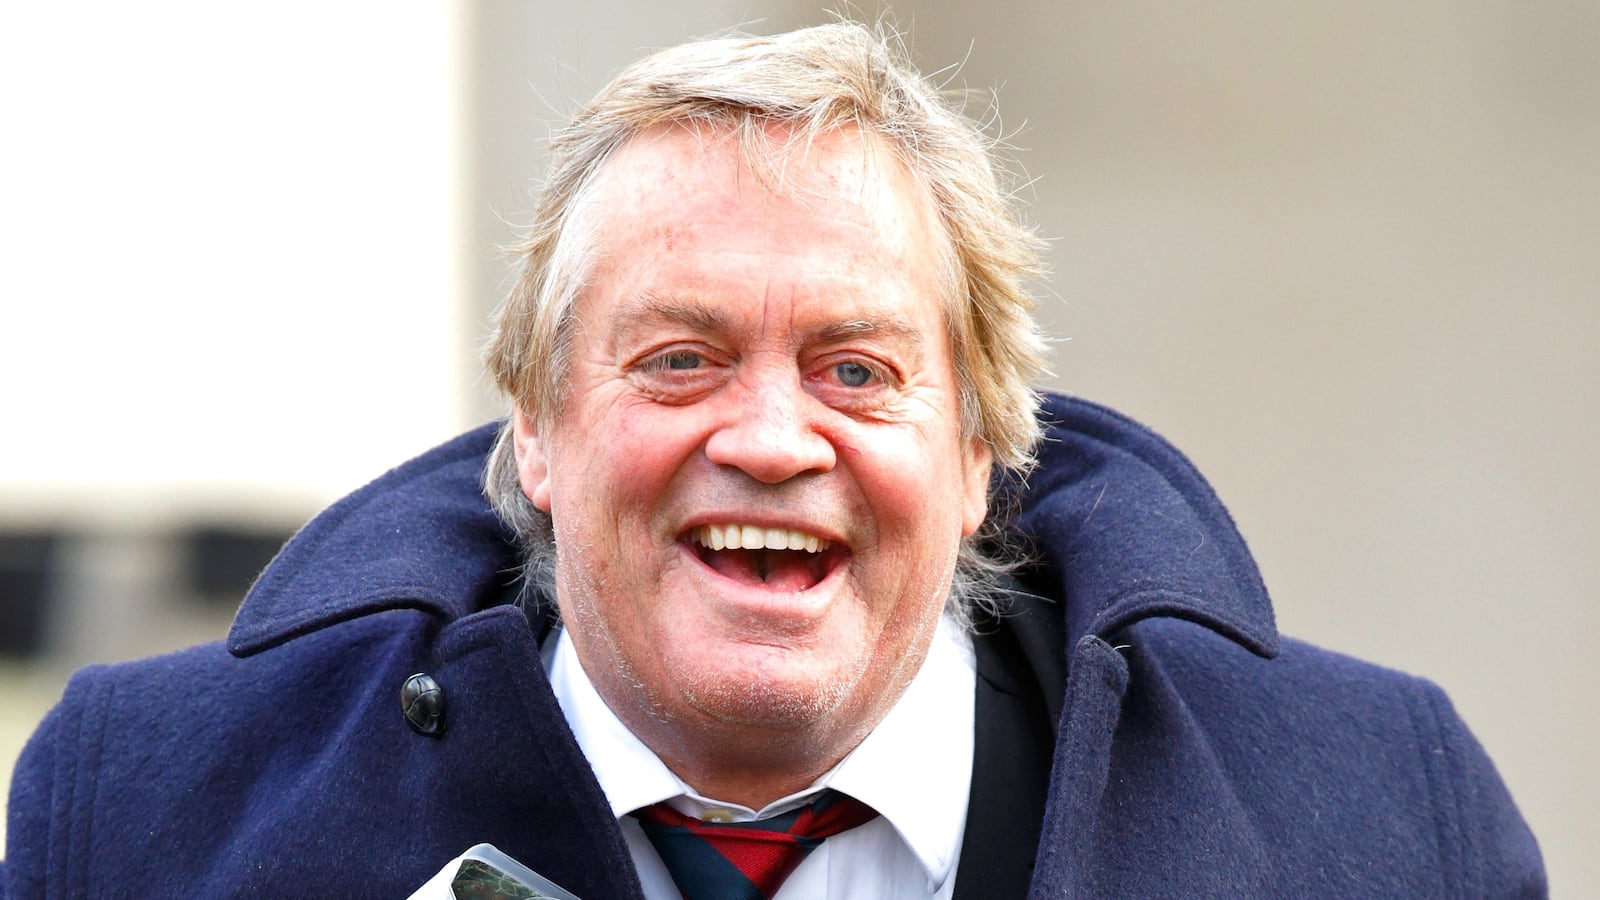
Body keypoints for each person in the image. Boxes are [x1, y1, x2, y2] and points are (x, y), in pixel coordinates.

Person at [3, 21, 1544, 899]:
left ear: (983, 446)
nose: (764, 438)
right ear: (532, 427)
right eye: (677, 359)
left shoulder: (1383, 817)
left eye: (855, 371)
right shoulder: (144, 815)